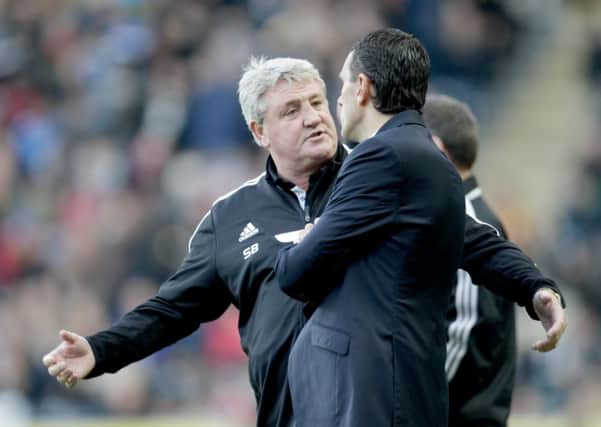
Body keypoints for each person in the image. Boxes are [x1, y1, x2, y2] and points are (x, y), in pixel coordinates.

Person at [43, 55, 566, 427]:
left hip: (376, 411)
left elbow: (472, 238)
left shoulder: (380, 174)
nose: (314, 116)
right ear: (258, 131)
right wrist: (101, 350)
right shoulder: (231, 217)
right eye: (291, 110)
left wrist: (535, 287)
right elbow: (171, 309)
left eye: (318, 100)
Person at [274, 30, 565, 427]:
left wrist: (302, 242)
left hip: (370, 393)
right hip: (397, 389)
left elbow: (297, 273)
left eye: (341, 83)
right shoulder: (427, 159)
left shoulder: (380, 157)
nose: (335, 99)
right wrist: (536, 286)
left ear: (362, 87)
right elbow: (476, 241)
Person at [423, 94, 516, 427]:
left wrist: (406, 397)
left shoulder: (465, 217)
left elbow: (463, 328)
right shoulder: (455, 214)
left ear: (436, 148)